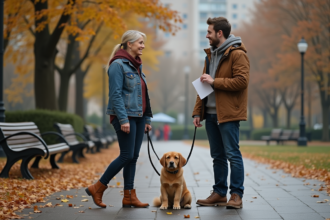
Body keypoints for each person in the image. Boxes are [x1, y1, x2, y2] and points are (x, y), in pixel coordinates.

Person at [85, 30, 153, 208]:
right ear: (129, 44)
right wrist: (123, 119)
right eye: (140, 42)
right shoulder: (118, 64)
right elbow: (115, 95)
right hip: (125, 117)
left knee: (133, 157)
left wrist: (147, 119)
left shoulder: (137, 65)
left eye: (143, 42)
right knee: (126, 155)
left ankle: (129, 196)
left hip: (138, 117)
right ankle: (98, 187)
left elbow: (143, 94)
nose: (143, 46)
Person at [192, 17, 249, 209]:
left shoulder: (237, 54)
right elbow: (203, 84)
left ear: (219, 33)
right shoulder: (210, 55)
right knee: (217, 156)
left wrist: (215, 82)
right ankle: (219, 193)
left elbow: (242, 82)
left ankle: (236, 195)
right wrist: (197, 112)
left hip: (229, 114)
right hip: (210, 114)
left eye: (209, 32)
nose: (206, 35)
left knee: (232, 154)